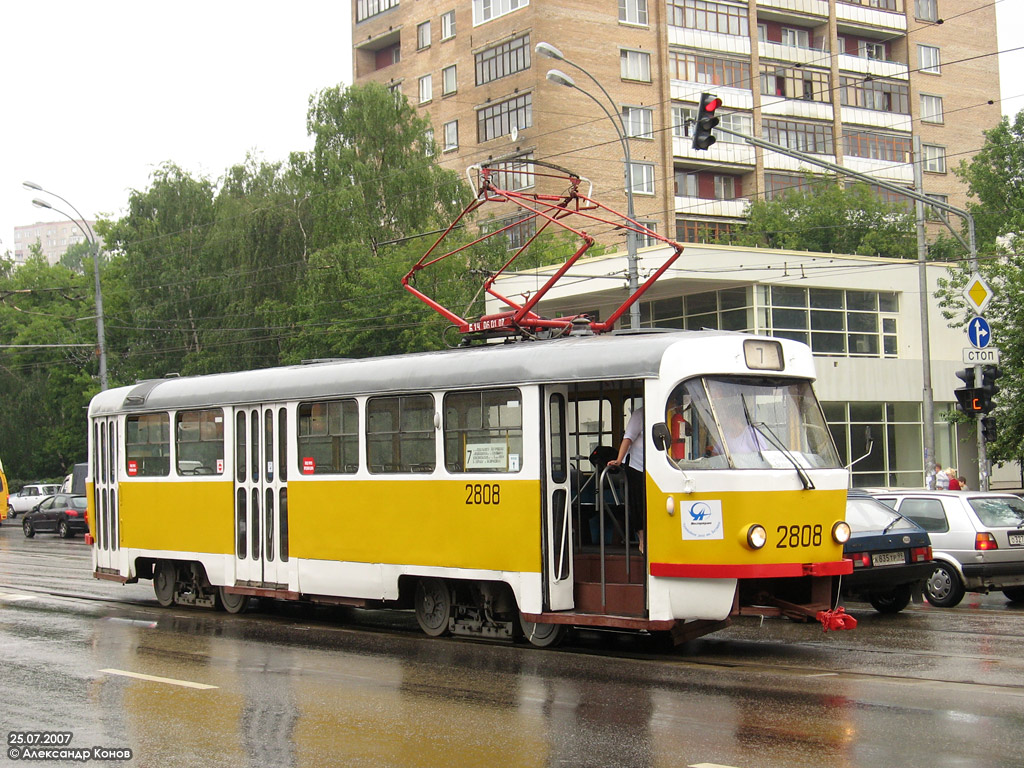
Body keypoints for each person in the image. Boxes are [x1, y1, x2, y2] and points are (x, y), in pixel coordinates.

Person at [609, 407, 645, 550]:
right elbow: (628, 438)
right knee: (638, 503)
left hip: (653, 466)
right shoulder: (639, 415)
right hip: (636, 465)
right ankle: (642, 540)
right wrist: (619, 459)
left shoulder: (667, 412)